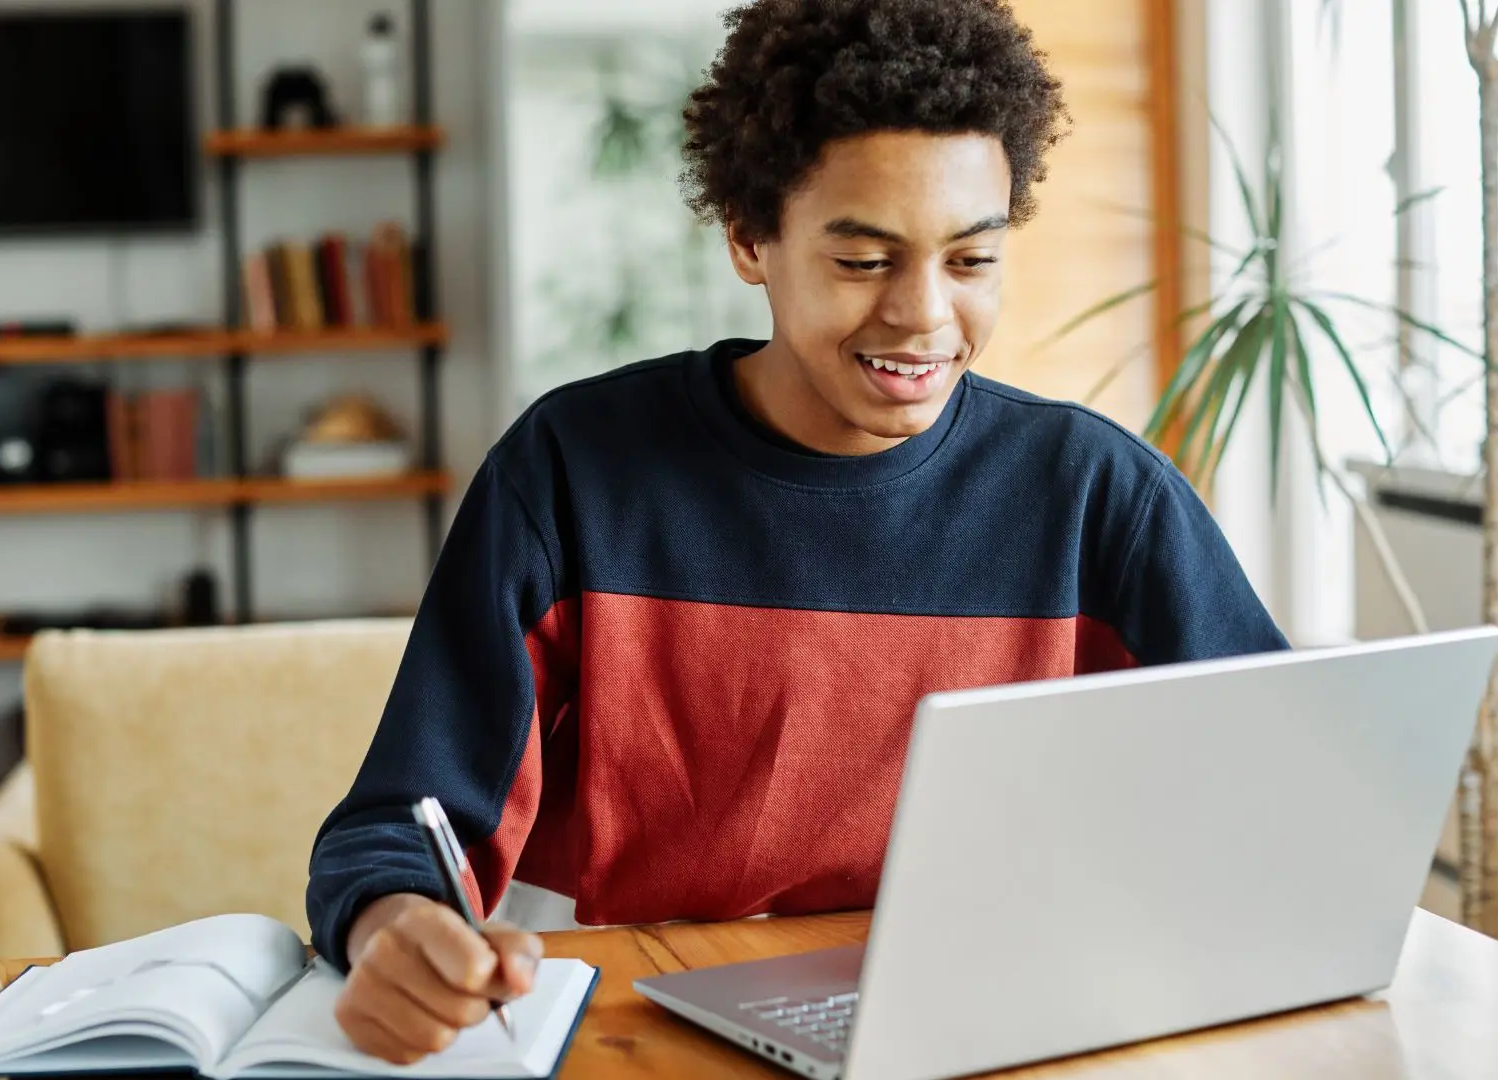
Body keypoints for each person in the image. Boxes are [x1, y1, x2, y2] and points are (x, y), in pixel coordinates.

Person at [308, 0, 1287, 1063]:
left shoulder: (1101, 498)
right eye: (864, 260)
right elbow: (399, 828)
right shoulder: (573, 474)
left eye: (971, 261)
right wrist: (393, 929)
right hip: (639, 1032)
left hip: (993, 1031)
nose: (923, 316)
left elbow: (1286, 797)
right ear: (749, 236)